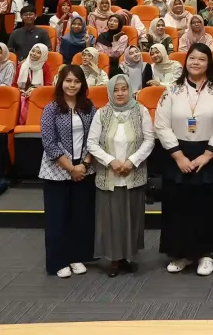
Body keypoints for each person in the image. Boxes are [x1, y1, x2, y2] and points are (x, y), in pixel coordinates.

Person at [155, 44, 213, 276]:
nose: (196, 63)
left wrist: (208, 155)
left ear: (209, 63)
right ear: (185, 61)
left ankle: (206, 254)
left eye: (201, 59)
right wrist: (178, 156)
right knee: (178, 205)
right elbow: (161, 124)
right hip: (178, 153)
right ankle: (181, 254)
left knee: (208, 206)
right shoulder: (172, 90)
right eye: (192, 58)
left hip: (210, 154)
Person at [87, 74, 154, 277]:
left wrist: (132, 161)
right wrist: (112, 162)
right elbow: (92, 143)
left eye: (124, 89)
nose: (120, 93)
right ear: (109, 91)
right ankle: (114, 259)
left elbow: (149, 140)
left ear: (130, 90)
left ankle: (128, 256)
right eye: (115, 90)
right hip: (109, 175)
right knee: (111, 219)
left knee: (131, 217)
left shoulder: (141, 111)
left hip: (134, 174)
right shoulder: (101, 114)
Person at [39, 65, 97, 278]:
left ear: (82, 84)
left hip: (84, 168)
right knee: (57, 217)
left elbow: (95, 138)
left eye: (76, 81)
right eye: (68, 81)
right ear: (61, 83)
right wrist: (71, 168)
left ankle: (76, 256)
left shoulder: (89, 107)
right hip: (57, 170)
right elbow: (49, 143)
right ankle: (58, 261)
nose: (72, 85)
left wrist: (85, 164)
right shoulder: (51, 108)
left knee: (80, 216)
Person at [18, 43, 52, 124]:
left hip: (39, 95)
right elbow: (14, 84)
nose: (34, 54)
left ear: (43, 55)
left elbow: (48, 85)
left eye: (38, 52)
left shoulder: (45, 66)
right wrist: (21, 92)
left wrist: (35, 90)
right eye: (33, 51)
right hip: (22, 94)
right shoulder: (23, 65)